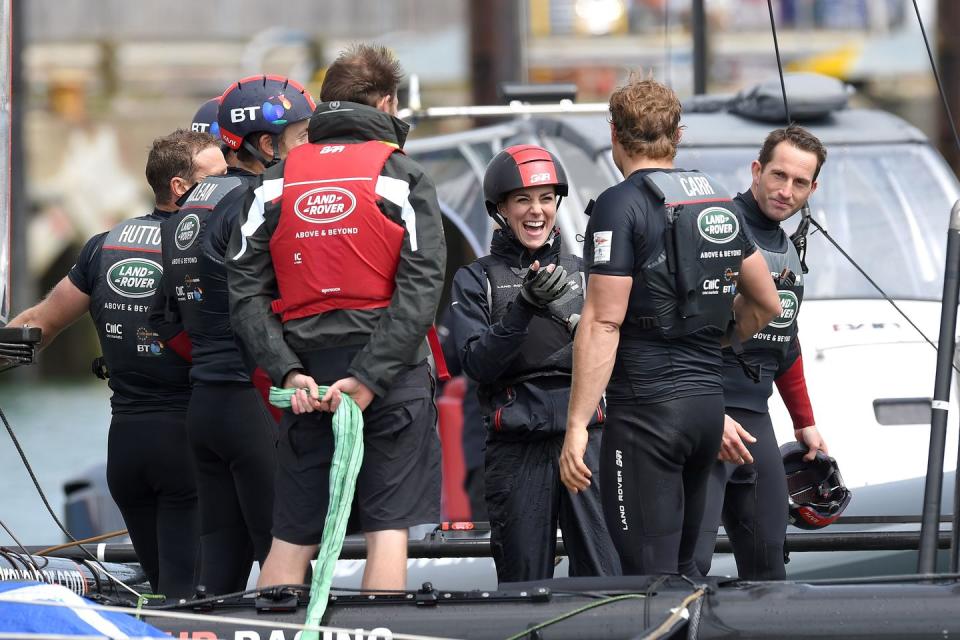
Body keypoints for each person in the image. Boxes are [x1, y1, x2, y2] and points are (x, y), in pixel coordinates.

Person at [227, 44, 446, 591]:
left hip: (308, 379)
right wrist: (371, 376)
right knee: (387, 530)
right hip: (388, 379)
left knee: (293, 533)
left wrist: (286, 371)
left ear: (326, 105)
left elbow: (244, 291)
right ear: (388, 102)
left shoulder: (274, 180)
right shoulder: (403, 175)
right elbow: (421, 288)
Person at [558, 75, 782, 576]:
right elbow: (766, 301)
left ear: (614, 133)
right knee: (686, 575)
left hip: (646, 417)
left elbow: (602, 323)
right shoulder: (713, 199)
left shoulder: (620, 204)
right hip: (706, 410)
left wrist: (576, 425)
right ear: (676, 136)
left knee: (649, 584)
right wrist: (719, 337)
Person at [5, 130, 227, 598]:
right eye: (219, 177)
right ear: (180, 188)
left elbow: (39, 325)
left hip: (126, 449)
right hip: (186, 444)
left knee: (164, 595)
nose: (232, 186)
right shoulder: (207, 247)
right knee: (189, 601)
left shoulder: (103, 245)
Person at [151, 75, 316, 595]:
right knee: (286, 570)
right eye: (300, 136)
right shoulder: (260, 199)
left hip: (205, 403)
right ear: (267, 145)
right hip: (254, 403)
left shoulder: (196, 200)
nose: (308, 146)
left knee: (218, 571)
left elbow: (163, 315)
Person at [450, 144, 621, 583]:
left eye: (546, 198)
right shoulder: (475, 279)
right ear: (500, 209)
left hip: (586, 443)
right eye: (523, 199)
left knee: (603, 579)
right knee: (523, 584)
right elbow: (478, 366)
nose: (536, 211)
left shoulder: (587, 272)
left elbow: (619, 352)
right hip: (516, 449)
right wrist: (523, 307)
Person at [692, 125, 829, 580]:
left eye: (799, 182)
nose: (785, 191)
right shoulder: (716, 227)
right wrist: (708, 412)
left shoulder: (788, 248)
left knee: (769, 564)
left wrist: (805, 422)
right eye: (778, 175)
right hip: (705, 415)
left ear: (813, 188)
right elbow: (681, 335)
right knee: (690, 565)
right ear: (756, 170)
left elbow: (785, 343)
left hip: (755, 418)